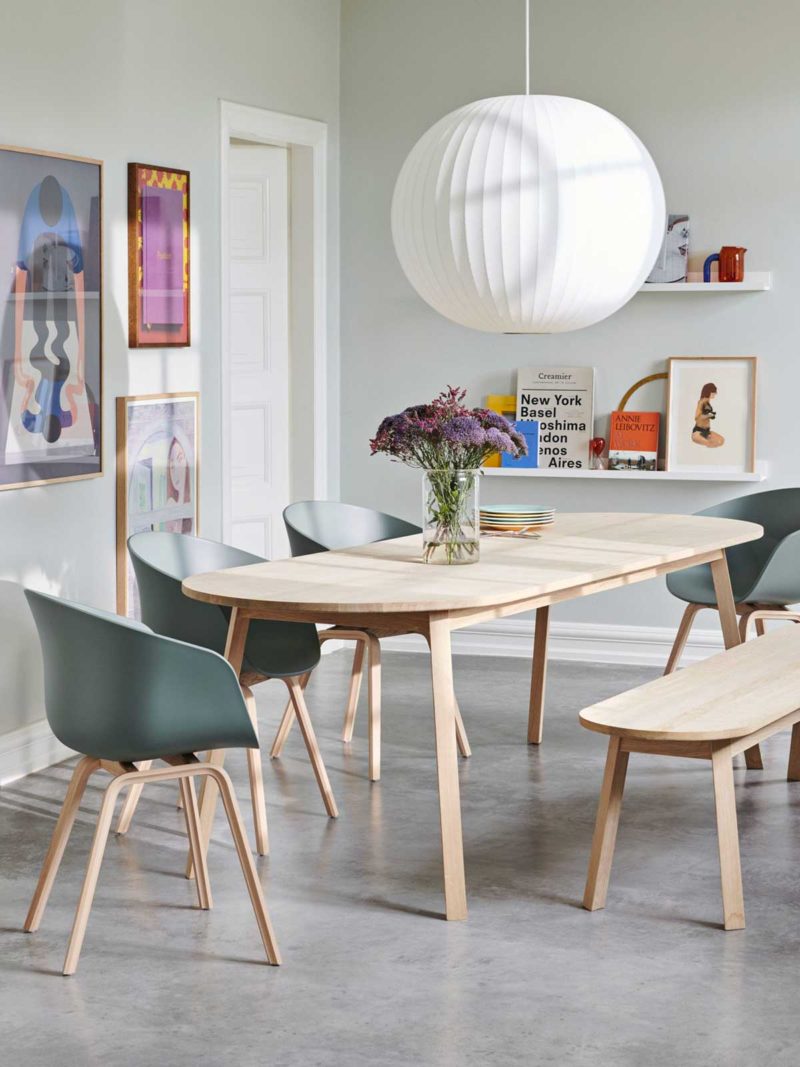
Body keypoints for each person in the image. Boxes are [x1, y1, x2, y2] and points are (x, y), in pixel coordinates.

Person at [691, 383, 725, 448]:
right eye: (713, 392)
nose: (715, 394)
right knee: (711, 444)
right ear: (708, 392)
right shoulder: (701, 402)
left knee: (721, 441)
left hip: (706, 431)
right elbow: (697, 418)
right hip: (698, 431)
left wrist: (710, 415)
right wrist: (708, 415)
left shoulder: (707, 401)